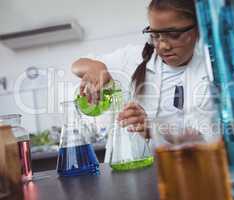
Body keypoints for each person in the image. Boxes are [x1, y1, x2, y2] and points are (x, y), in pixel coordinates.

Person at [72, 0, 219, 161]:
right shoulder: (134, 58)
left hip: (182, 172)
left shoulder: (210, 75)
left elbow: (206, 140)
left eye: (174, 35)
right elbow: (77, 65)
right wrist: (97, 68)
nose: (163, 45)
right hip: (127, 173)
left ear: (197, 29)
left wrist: (155, 128)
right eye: (155, 35)